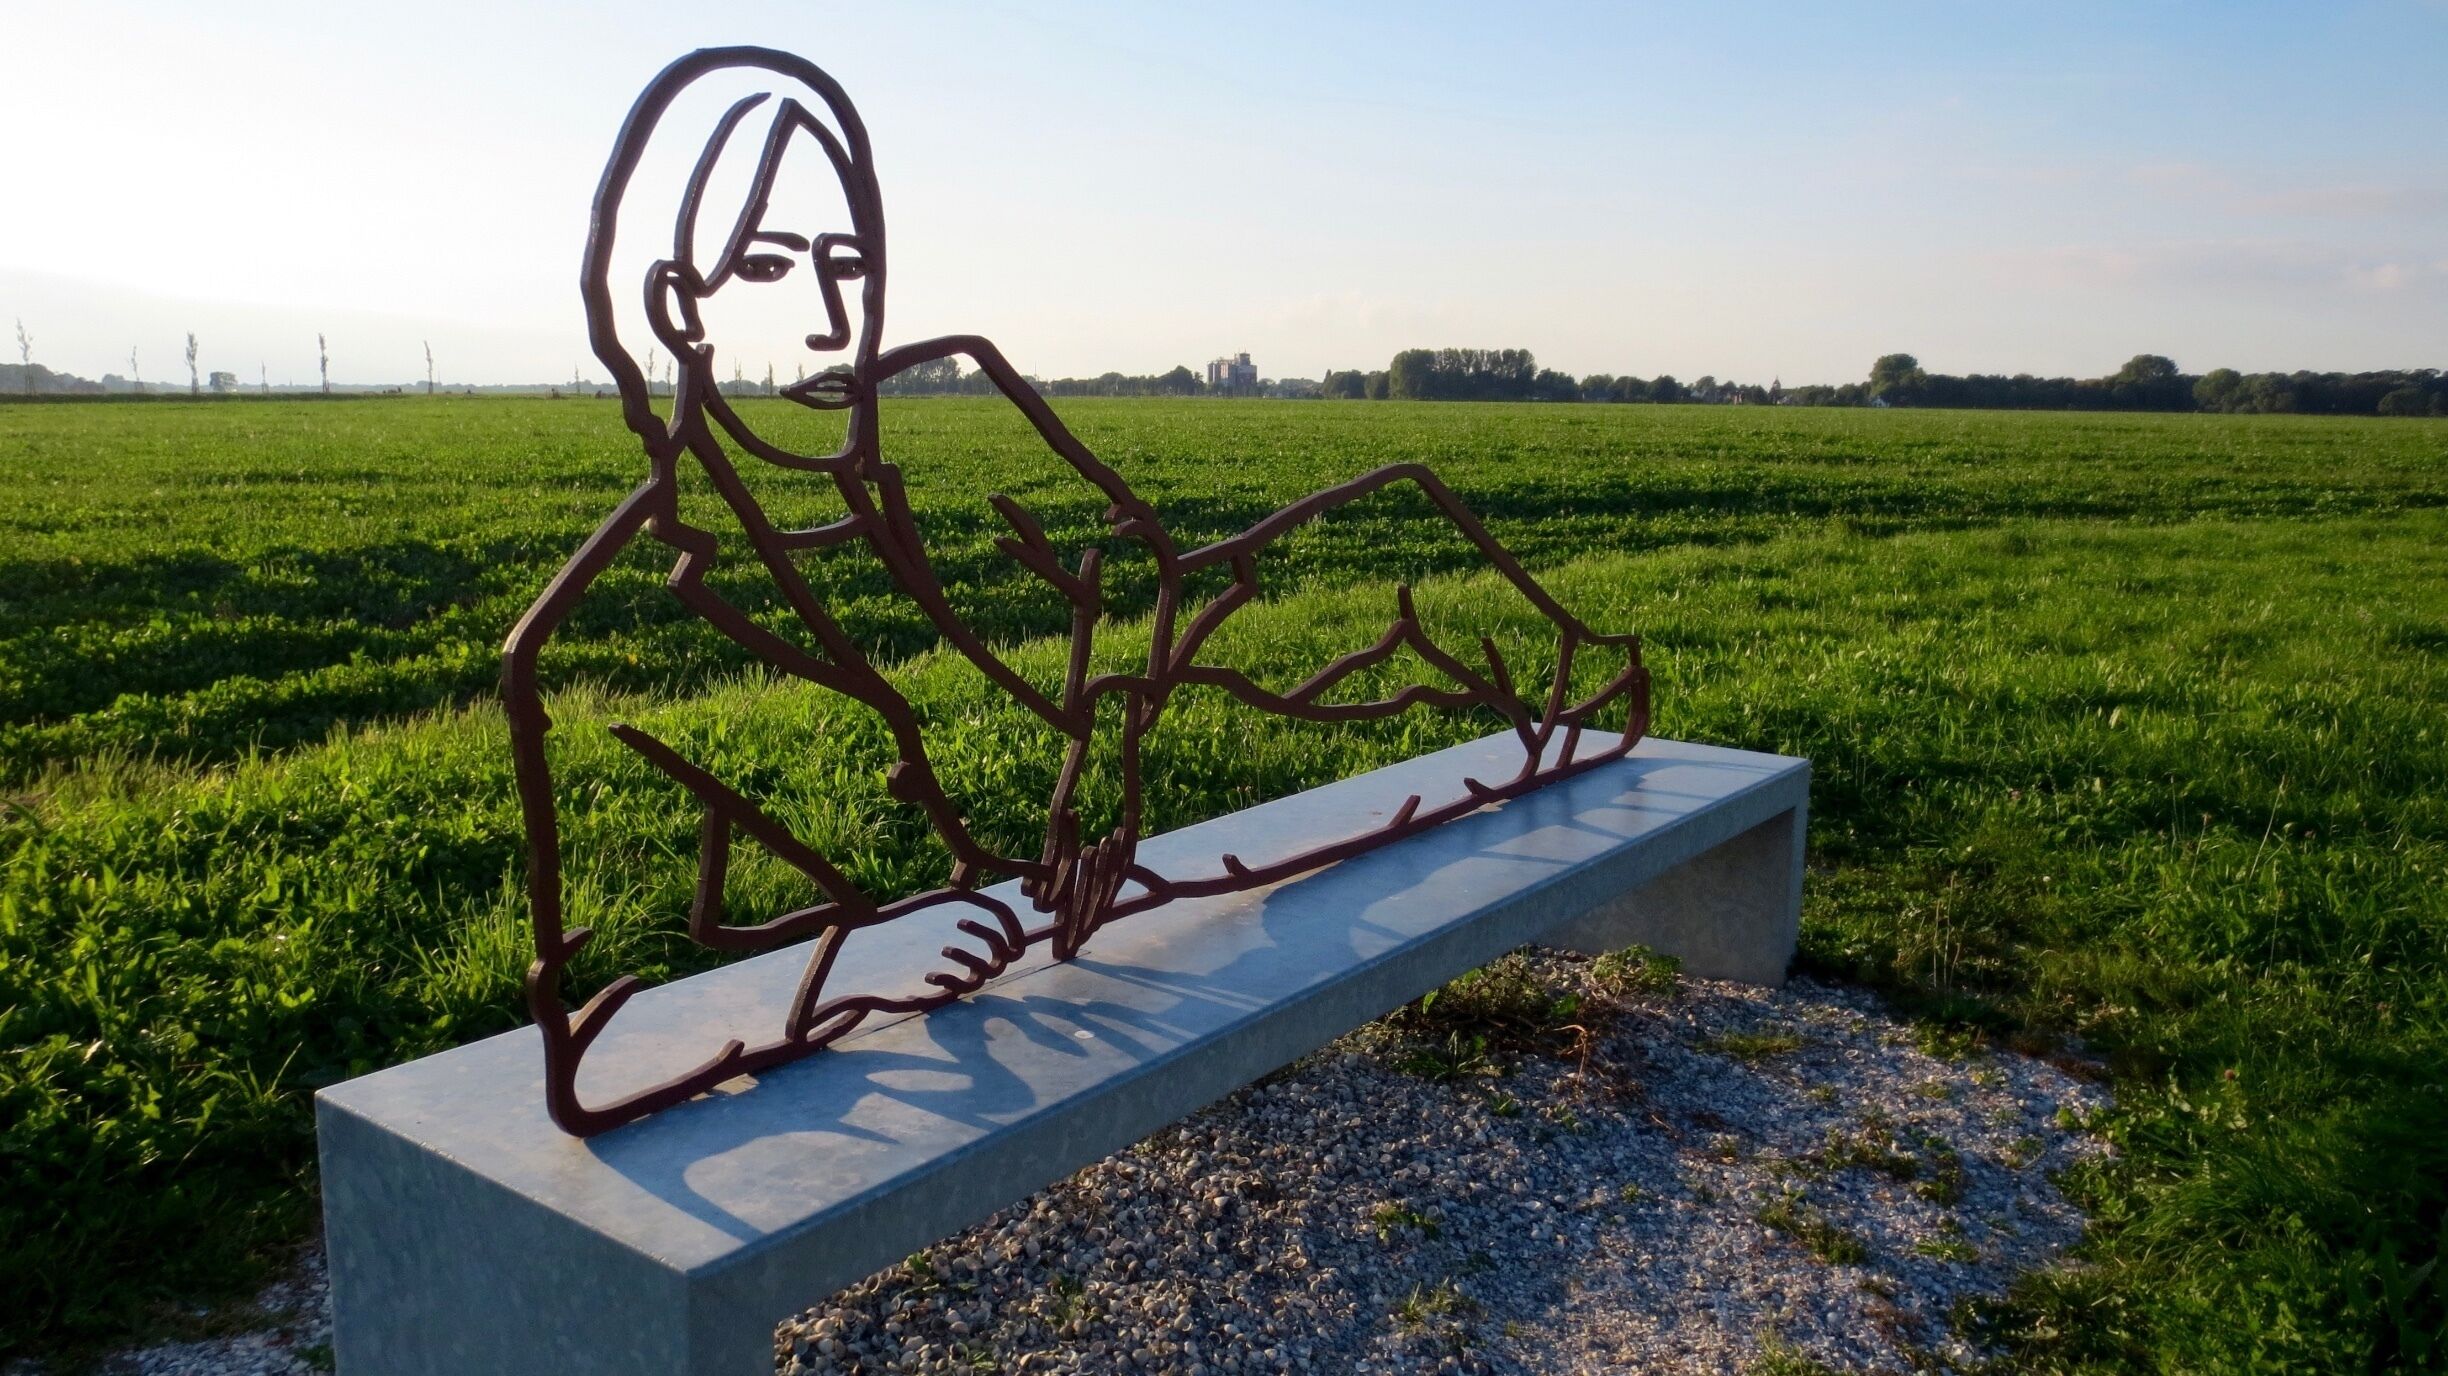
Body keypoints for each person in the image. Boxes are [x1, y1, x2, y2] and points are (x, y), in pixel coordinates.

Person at [507, 47, 1647, 1135]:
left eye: (849, 265)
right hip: (1030, 902)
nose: (832, 315)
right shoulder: (604, 636)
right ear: (677, 308)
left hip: (1142, 715)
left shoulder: (965, 390)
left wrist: (1100, 764)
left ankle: (1575, 693)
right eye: (766, 265)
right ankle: (1549, 714)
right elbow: (613, 1025)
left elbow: (1136, 546)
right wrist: (872, 962)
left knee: (1396, 500)